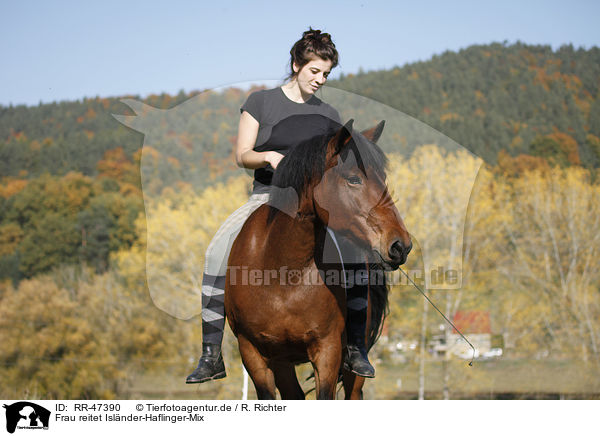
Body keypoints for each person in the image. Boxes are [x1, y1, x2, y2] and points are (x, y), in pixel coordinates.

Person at [186, 28, 376, 384]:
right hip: (267, 198)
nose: (320, 80)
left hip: (317, 206)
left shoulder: (329, 113)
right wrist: (267, 156)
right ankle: (210, 354)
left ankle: (355, 349)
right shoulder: (261, 102)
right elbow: (242, 155)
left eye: (326, 74)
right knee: (215, 252)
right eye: (314, 71)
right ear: (296, 65)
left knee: (356, 255)